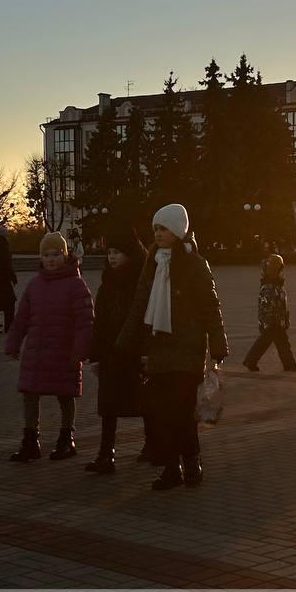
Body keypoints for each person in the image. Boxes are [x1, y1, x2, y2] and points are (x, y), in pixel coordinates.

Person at [117, 204, 228, 491]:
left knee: (181, 412)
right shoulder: (152, 261)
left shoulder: (194, 264)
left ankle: (191, 462)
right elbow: (141, 302)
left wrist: (218, 344)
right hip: (158, 347)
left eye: (163, 228)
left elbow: (210, 306)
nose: (158, 233)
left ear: (178, 231)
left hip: (187, 349)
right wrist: (125, 342)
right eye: (155, 228)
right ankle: (171, 468)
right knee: (162, 413)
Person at [5, 232, 94, 462]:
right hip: (36, 352)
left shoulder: (76, 285)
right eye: (46, 255)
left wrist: (80, 351)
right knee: (30, 394)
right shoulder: (35, 285)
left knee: (65, 395)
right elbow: (21, 318)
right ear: (41, 257)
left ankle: (67, 438)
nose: (51, 259)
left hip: (64, 352)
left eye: (56, 254)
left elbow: (85, 323)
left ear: (64, 256)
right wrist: (13, 343)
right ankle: (30, 440)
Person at [85, 225, 148, 474]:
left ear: (131, 254)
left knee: (143, 403)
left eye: (118, 252)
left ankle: (151, 444)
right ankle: (105, 453)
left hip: (133, 353)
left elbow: (145, 320)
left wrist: (145, 352)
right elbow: (98, 322)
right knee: (108, 406)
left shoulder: (141, 283)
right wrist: (96, 356)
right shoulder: (107, 283)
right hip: (111, 354)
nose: (112, 257)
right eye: (110, 252)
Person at [243, 254, 296, 373]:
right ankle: (251, 360)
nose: (282, 271)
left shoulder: (275, 283)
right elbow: (268, 306)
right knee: (270, 342)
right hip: (272, 321)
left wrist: (285, 318)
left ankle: (288, 364)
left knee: (279, 342)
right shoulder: (270, 286)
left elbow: (281, 303)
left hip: (276, 320)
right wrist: (274, 321)